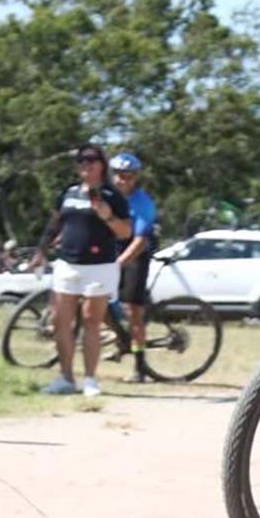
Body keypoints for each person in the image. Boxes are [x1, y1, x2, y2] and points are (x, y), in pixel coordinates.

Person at [30, 144, 132, 396]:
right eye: (81, 161)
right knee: (60, 320)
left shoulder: (112, 195)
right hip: (67, 263)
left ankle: (90, 379)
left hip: (99, 266)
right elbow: (54, 225)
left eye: (91, 161)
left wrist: (106, 216)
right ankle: (65, 377)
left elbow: (126, 232)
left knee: (91, 321)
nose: (85, 165)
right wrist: (41, 251)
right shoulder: (69, 193)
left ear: (101, 165)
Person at [109, 152, 158, 383]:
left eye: (128, 176)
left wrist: (119, 264)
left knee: (132, 311)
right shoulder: (106, 197)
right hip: (112, 252)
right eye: (119, 176)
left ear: (135, 177)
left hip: (135, 255)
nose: (123, 180)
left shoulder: (142, 203)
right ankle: (120, 337)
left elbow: (140, 241)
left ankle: (139, 367)